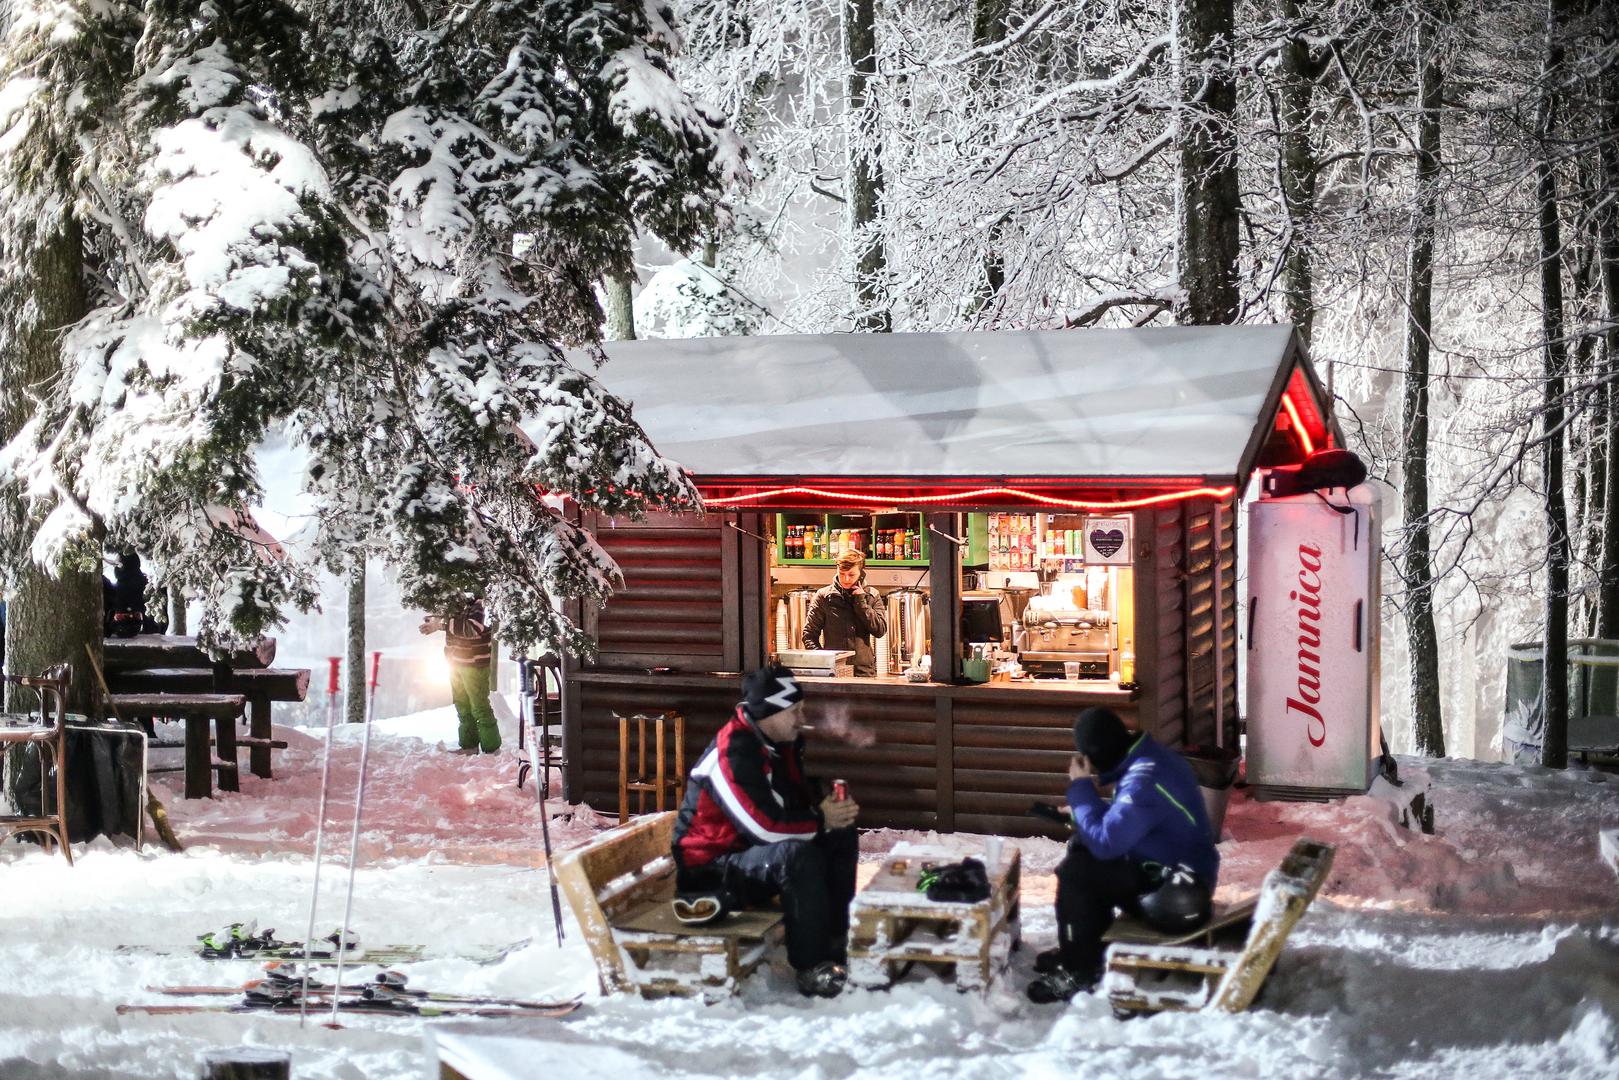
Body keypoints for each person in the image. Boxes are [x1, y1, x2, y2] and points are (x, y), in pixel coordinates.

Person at [672, 662, 861, 998]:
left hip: (749, 857)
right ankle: (811, 966)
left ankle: (835, 944)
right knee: (796, 856)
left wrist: (828, 808)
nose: (802, 718)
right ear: (771, 711)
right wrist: (821, 819)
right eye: (796, 710)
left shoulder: (777, 745)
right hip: (711, 870)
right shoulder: (733, 751)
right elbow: (765, 828)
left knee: (840, 835)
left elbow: (789, 803)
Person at [1027, 706, 1220, 1004]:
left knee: (1078, 872)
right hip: (1170, 869)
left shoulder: (1144, 778)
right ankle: (1085, 948)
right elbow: (1128, 823)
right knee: (1082, 847)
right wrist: (1083, 815)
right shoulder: (1148, 760)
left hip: (1180, 893)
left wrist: (1080, 788)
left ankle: (1079, 970)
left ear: (1092, 754)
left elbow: (1108, 842)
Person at [419, 599, 500, 754]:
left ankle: (492, 749)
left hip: (474, 665)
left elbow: (472, 628)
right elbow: (453, 623)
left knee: (479, 706)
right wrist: (436, 622)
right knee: (462, 705)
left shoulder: (481, 604)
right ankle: (469, 746)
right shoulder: (456, 603)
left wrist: (441, 623)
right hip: (455, 663)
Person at [801, 550, 888, 677]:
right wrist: (822, 662)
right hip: (833, 670)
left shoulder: (871, 595)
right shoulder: (823, 596)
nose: (846, 579)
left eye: (851, 575)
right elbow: (809, 635)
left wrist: (861, 603)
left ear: (861, 574)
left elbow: (880, 630)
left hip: (863, 672)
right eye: (842, 574)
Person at [103, 551, 167, 638]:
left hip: (141, 639)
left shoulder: (130, 586)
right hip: (145, 637)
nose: (116, 567)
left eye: (118, 564)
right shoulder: (143, 584)